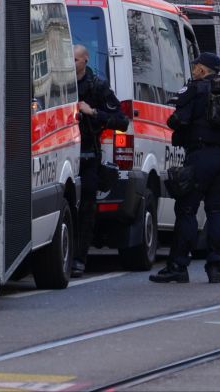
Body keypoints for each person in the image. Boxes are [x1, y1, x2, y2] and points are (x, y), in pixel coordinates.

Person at [150, 52, 220, 285]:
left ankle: (178, 266)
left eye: (196, 65)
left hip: (201, 156)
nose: (194, 69)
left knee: (187, 210)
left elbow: (178, 120)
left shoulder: (196, 89)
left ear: (202, 69)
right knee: (217, 211)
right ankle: (215, 266)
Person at [72, 44, 129, 278]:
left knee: (86, 209)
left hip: (88, 154)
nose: (72, 64)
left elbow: (121, 121)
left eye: (76, 60)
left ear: (86, 60)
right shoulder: (58, 83)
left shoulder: (97, 86)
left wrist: (93, 113)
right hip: (61, 152)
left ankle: (79, 259)